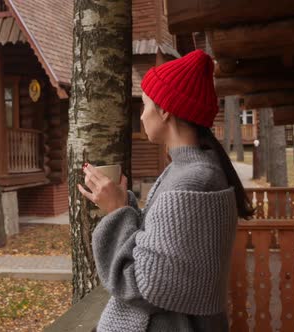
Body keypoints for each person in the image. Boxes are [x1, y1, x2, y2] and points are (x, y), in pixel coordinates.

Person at [77, 49, 254, 331]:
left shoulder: (192, 181)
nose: (143, 115)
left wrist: (118, 211)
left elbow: (143, 287)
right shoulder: (192, 170)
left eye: (146, 104)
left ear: (165, 110)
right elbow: (165, 255)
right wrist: (125, 203)